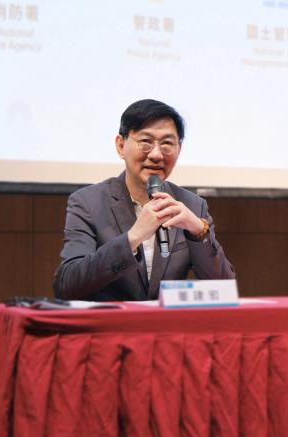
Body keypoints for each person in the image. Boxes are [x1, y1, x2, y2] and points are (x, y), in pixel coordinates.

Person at [53, 99, 235, 300]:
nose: (156, 154)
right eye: (146, 142)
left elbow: (224, 290)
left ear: (179, 149)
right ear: (121, 145)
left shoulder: (193, 205)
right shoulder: (88, 202)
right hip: (111, 319)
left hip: (166, 320)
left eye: (167, 144)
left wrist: (198, 233)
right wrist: (133, 238)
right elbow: (67, 285)